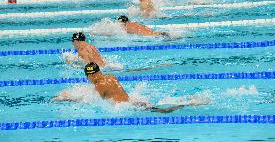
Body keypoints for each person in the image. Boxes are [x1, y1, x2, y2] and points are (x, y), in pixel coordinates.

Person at [53, 62, 210, 113]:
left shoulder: (99, 85)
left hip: (127, 107)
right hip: (132, 101)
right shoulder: (110, 77)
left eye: (87, 76)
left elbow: (95, 102)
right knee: (158, 108)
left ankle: (190, 103)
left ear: (91, 75)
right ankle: (190, 101)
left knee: (164, 111)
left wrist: (70, 98)